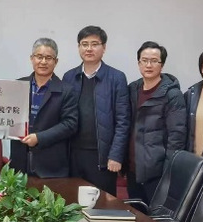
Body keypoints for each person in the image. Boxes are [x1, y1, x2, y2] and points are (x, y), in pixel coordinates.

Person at [63, 26, 130, 195]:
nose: (89, 49)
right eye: (84, 44)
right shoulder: (69, 77)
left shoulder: (116, 78)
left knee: (102, 204)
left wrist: (116, 155)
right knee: (72, 201)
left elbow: (123, 121)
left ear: (104, 47)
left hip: (103, 157)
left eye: (94, 44)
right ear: (79, 47)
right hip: (73, 155)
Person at [126, 41, 186, 203]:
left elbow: (177, 137)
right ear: (139, 63)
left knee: (155, 216)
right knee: (136, 214)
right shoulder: (132, 89)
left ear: (162, 65)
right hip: (133, 169)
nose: (149, 65)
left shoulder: (172, 95)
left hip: (157, 172)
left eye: (154, 61)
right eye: (144, 60)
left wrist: (169, 171)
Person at [9, 38, 77, 178]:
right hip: (19, 163)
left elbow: (70, 124)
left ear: (56, 61)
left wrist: (39, 138)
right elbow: (6, 115)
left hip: (50, 166)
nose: (43, 62)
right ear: (32, 58)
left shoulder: (66, 90)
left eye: (48, 58)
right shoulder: (17, 86)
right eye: (39, 57)